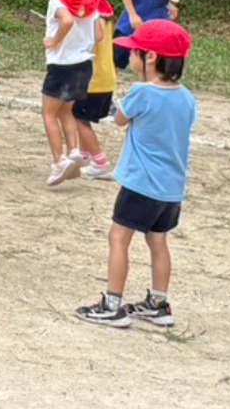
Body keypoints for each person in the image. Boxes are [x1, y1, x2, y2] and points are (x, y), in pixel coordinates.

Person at [77, 20, 198, 328]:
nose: (130, 58)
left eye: (135, 53)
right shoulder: (187, 97)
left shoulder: (142, 92)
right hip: (171, 188)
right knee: (158, 240)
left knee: (118, 237)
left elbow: (119, 120)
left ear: (152, 58)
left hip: (141, 183)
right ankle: (159, 303)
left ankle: (112, 303)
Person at [43, 0, 104, 186]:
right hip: (84, 64)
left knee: (49, 113)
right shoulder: (92, 0)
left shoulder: (57, 1)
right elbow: (99, 35)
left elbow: (67, 21)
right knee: (66, 111)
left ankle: (58, 160)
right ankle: (74, 151)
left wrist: (54, 41)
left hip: (61, 66)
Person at [73, 0, 119, 181]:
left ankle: (100, 162)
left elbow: (90, 42)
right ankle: (85, 156)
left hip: (93, 80)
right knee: (83, 118)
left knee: (79, 118)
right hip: (105, 78)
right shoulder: (106, 14)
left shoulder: (94, 17)